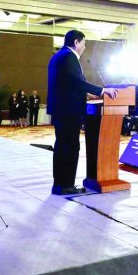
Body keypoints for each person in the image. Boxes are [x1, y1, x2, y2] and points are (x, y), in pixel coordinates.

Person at [47, 30, 117, 195]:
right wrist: (102, 91)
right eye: (84, 43)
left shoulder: (58, 56)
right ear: (76, 42)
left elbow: (68, 84)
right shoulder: (68, 56)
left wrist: (88, 94)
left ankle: (60, 184)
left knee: (62, 147)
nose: (85, 47)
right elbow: (77, 82)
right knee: (70, 148)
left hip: (62, 110)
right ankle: (66, 185)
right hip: (69, 112)